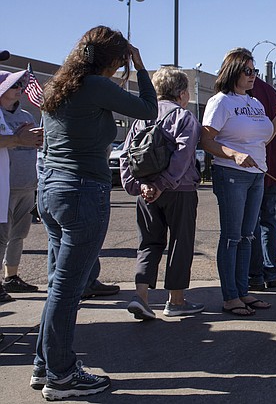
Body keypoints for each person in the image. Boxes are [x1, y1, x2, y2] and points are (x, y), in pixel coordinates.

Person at [32, 26, 157, 400]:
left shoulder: (59, 86)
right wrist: (140, 66)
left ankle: (46, 365)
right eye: (120, 61)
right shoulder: (96, 86)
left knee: (58, 285)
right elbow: (149, 110)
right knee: (69, 290)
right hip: (83, 190)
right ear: (112, 59)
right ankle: (62, 376)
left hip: (51, 188)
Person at [201, 48, 276, 316]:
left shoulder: (255, 102)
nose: (252, 76)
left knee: (249, 235)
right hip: (232, 175)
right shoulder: (220, 102)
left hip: (257, 174)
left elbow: (263, 139)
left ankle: (244, 291)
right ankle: (230, 296)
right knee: (232, 236)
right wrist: (234, 154)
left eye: (254, 71)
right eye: (247, 71)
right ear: (233, 72)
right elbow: (206, 140)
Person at [120, 67, 203, 320]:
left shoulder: (141, 118)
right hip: (179, 190)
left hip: (145, 191)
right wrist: (163, 183)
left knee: (149, 242)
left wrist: (138, 185)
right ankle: (175, 300)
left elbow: (127, 155)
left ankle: (141, 296)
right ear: (181, 92)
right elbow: (183, 154)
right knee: (180, 242)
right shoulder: (183, 117)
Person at [0, 69, 43, 300]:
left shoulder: (27, 115)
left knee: (19, 234)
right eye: (14, 85)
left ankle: (12, 276)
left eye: (20, 85)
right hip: (5, 186)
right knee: (1, 236)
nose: (19, 89)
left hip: (27, 185)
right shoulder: (0, 116)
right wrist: (17, 139)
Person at [248, 76, 276, 291]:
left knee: (251, 223)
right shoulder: (270, 92)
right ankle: (270, 271)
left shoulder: (244, 94)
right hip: (271, 167)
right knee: (268, 220)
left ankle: (255, 273)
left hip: (253, 167)